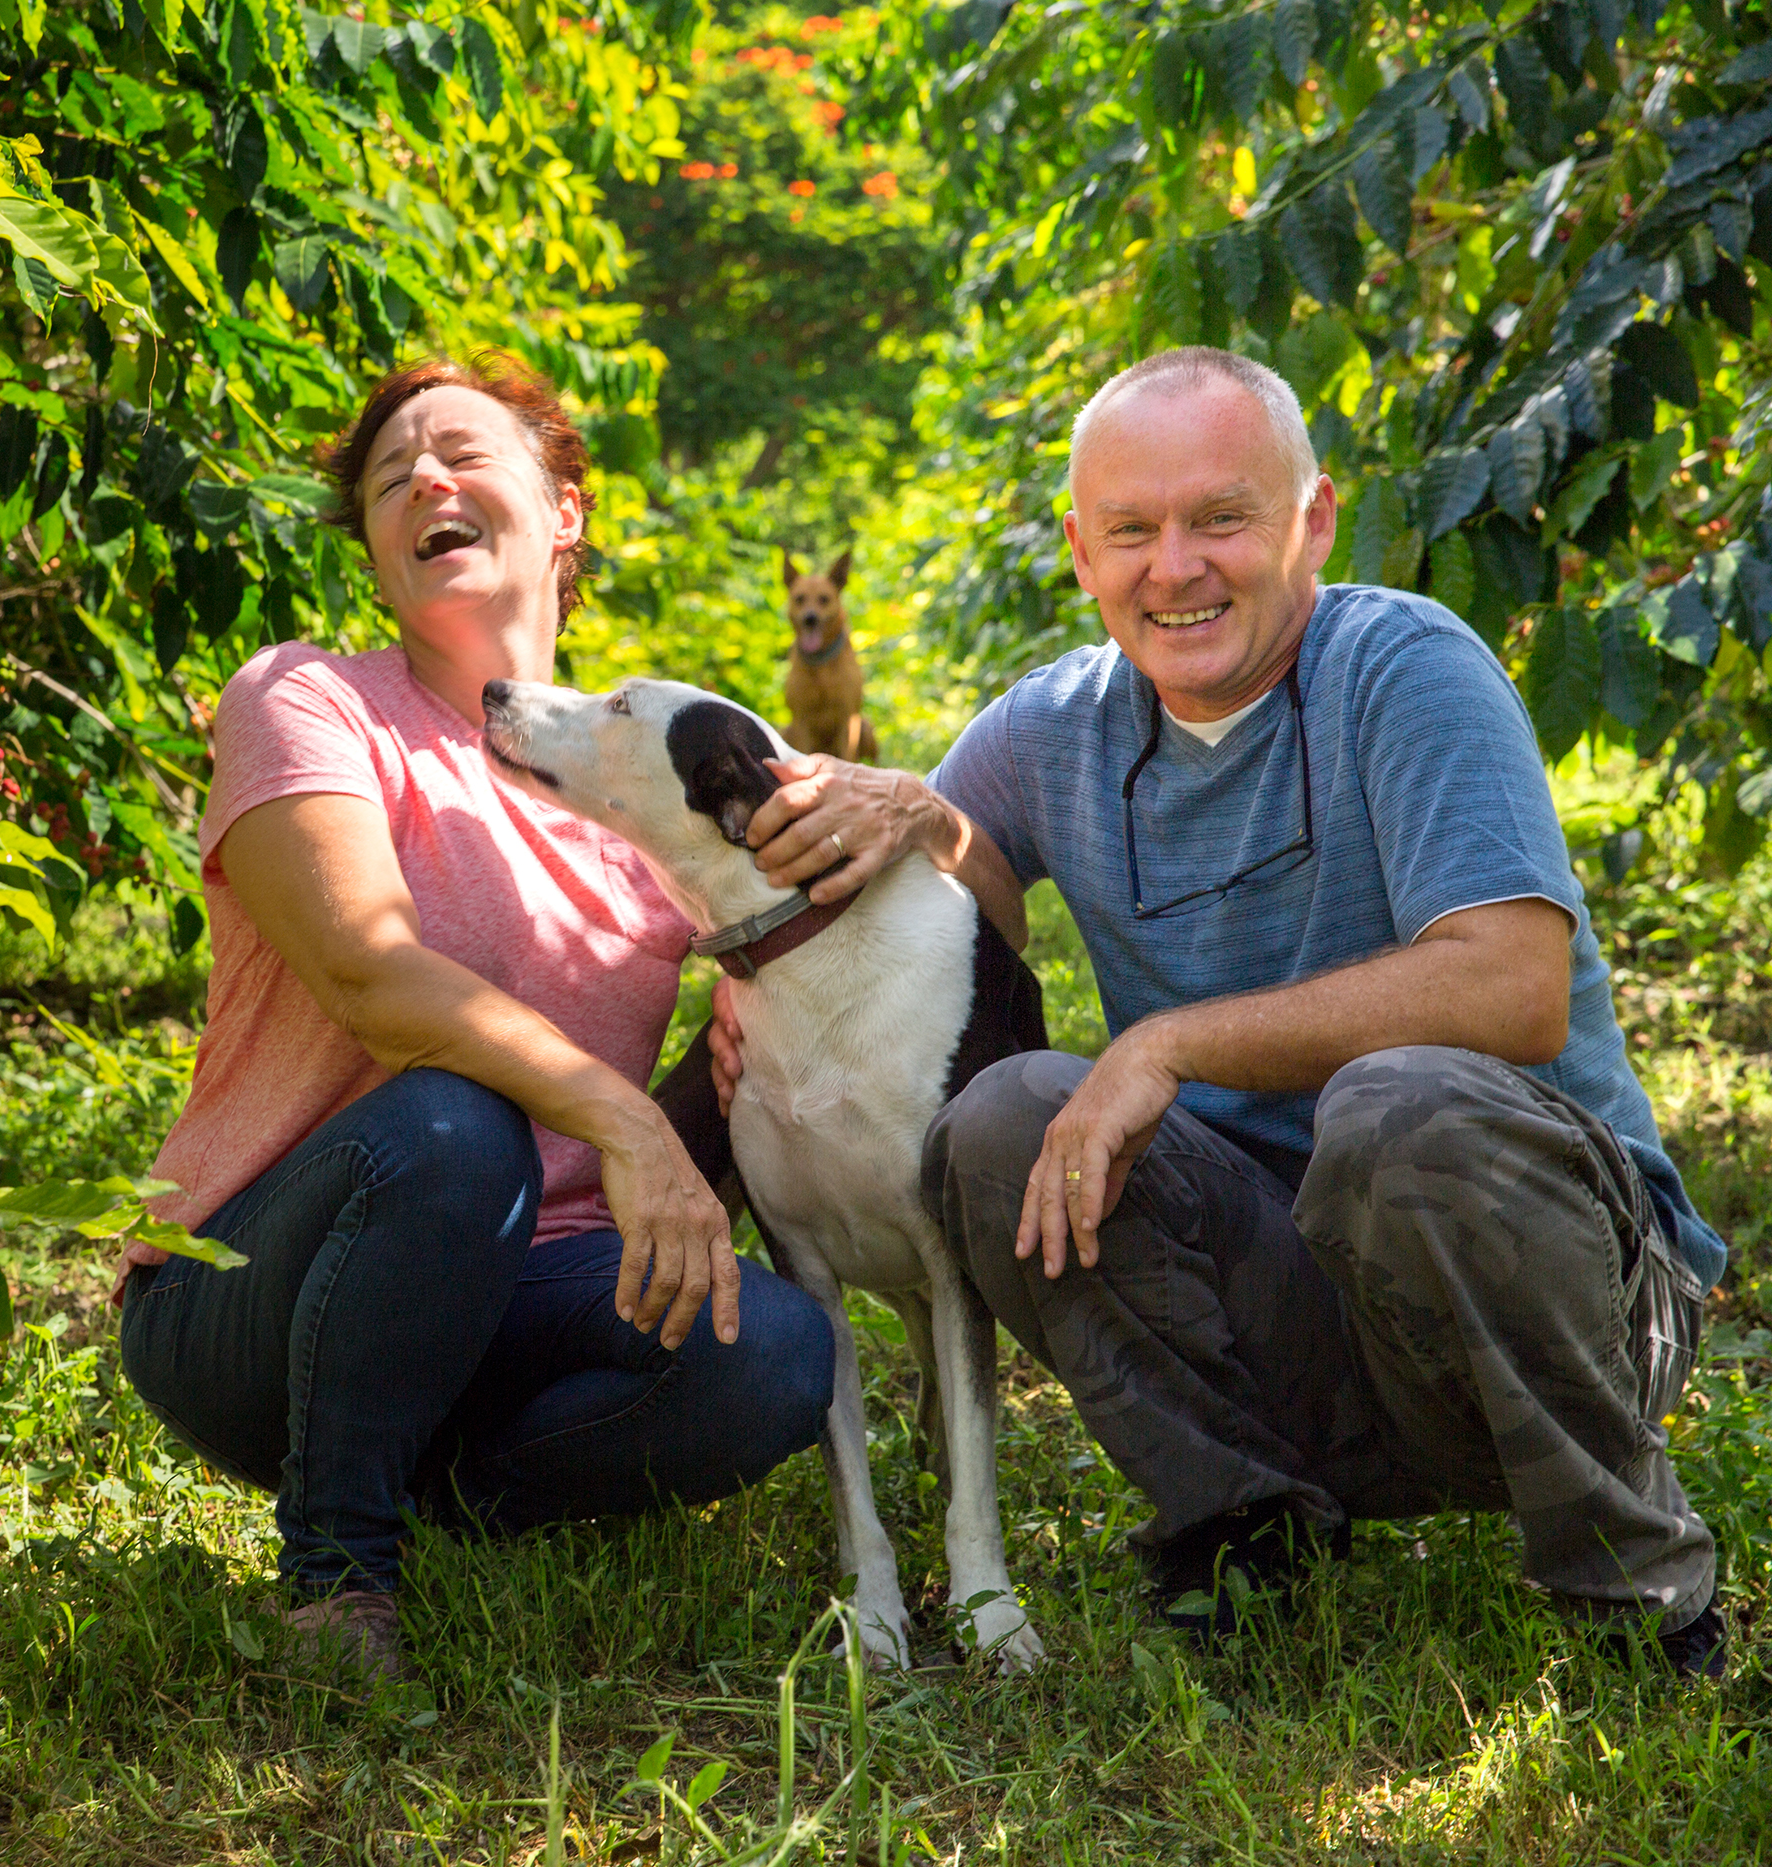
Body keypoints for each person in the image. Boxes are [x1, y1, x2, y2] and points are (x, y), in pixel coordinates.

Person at [711, 346, 1727, 1673]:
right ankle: (1251, 1528)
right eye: (1132, 529)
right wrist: (781, 970)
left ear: (1311, 520)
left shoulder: (1403, 668)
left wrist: (1170, 1044)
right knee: (1008, 1118)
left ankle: (1639, 1589)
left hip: (1567, 1302)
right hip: (1304, 1316)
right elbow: (943, 923)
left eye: (1222, 518)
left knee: (1395, 1106)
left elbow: (1514, 986)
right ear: (1081, 551)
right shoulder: (1057, 726)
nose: (1173, 568)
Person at [118, 357, 837, 1680]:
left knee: (781, 1354)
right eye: (394, 478)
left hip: (531, 1286)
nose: (426, 481)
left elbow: (869, 863)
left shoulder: (645, 776)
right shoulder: (308, 702)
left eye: (460, 453)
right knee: (458, 1127)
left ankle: (444, 1503)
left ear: (564, 507)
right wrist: (623, 1117)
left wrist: (728, 1073)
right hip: (263, 1283)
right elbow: (372, 978)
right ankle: (337, 1577)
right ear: (381, 553)